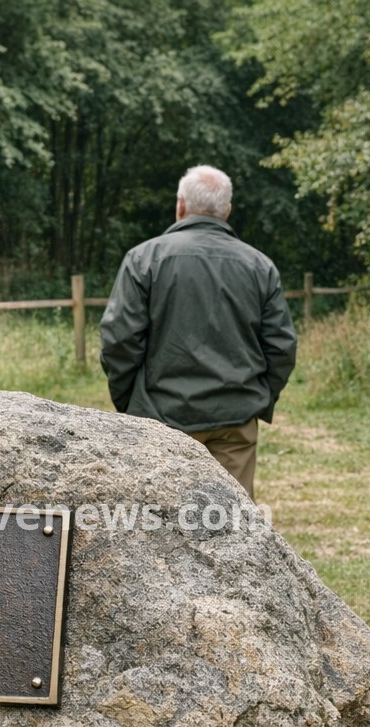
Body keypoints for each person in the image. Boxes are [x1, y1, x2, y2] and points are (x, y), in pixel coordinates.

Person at [99, 164, 297, 499]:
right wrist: (258, 399)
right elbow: (281, 346)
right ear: (227, 211)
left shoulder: (143, 259)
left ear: (180, 205)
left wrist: (131, 402)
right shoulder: (259, 266)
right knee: (231, 524)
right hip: (234, 419)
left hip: (159, 419)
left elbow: (119, 340)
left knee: (158, 523)